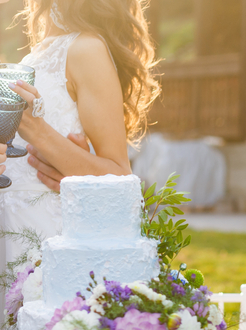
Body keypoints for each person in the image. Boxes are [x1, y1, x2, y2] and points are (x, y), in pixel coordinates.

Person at [0, 0, 158, 270]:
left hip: (46, 239)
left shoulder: (86, 49)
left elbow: (120, 178)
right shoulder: (35, 55)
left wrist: (37, 130)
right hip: (10, 231)